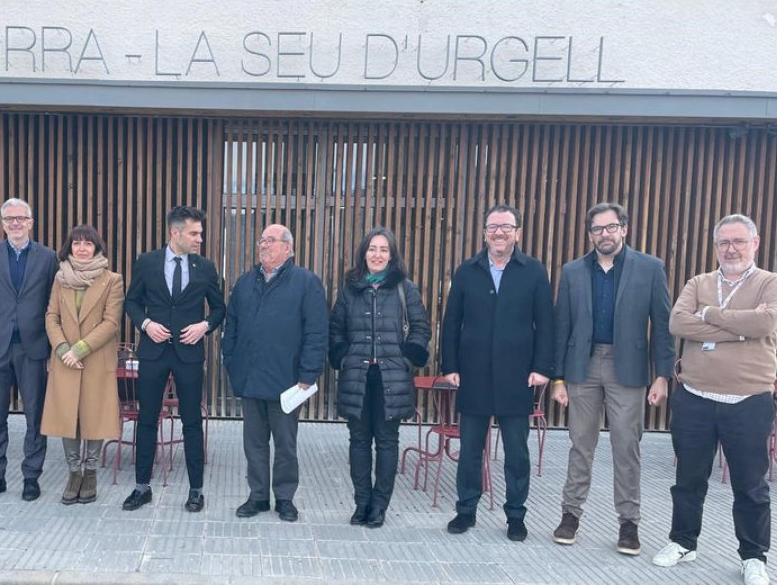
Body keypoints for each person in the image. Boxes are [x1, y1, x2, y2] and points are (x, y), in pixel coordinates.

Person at [653, 214, 777, 585]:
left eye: (739, 241)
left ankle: (753, 556)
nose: (731, 249)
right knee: (688, 478)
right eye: (723, 242)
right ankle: (683, 541)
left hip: (748, 400)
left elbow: (765, 325)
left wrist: (711, 315)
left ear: (755, 243)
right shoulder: (698, 282)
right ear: (715, 246)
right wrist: (739, 329)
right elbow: (678, 324)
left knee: (750, 484)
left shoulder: (772, 284)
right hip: (695, 396)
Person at [551, 202, 674, 554]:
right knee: (580, 445)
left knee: (626, 446)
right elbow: (562, 326)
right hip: (583, 366)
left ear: (624, 228)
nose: (603, 234)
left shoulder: (650, 268)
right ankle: (570, 515)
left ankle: (628, 523)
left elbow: (663, 326)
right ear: (589, 234)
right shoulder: (573, 271)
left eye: (610, 227)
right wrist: (558, 377)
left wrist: (662, 375)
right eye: (596, 229)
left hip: (629, 369)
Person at [441, 204, 554, 541]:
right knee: (471, 450)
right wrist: (450, 366)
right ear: (484, 232)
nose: (500, 232)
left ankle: (516, 516)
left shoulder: (533, 271)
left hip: (518, 376)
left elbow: (546, 323)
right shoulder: (467, 271)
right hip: (473, 374)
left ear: (517, 231)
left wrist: (542, 367)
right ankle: (466, 511)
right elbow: (451, 323)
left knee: (517, 453)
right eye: (493, 227)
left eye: (506, 226)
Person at [122, 206, 226, 512]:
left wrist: (204, 326)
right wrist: (146, 324)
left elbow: (219, 309)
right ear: (175, 232)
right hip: (153, 353)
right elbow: (131, 301)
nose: (199, 239)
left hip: (188, 354)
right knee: (146, 420)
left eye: (201, 234)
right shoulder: (147, 262)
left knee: (192, 422)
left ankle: (196, 490)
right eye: (194, 233)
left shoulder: (205, 267)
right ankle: (142, 488)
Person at [222, 223, 328, 522]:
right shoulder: (245, 283)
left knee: (285, 445)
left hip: (288, 382)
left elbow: (317, 332)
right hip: (251, 378)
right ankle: (257, 497)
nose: (263, 246)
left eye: (270, 241)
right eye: (261, 240)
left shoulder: (306, 283)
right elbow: (231, 327)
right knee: (253, 443)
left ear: (288, 247)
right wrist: (232, 362)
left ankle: (284, 498)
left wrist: (309, 374)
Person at [329, 226, 431, 528]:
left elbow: (420, 328)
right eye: (372, 248)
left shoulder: (405, 288)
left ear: (392, 255)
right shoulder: (349, 289)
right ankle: (361, 503)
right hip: (357, 376)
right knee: (358, 441)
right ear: (364, 253)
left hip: (391, 378)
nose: (377, 254)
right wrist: (343, 356)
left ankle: (379, 506)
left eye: (384, 249)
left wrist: (406, 359)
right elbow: (335, 330)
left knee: (387, 441)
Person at [0, 198, 59, 502]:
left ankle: (31, 476)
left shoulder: (48, 258)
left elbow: (53, 304)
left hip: (33, 346)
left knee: (35, 416)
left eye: (21, 218)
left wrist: (52, 348)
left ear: (31, 222)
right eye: (10, 219)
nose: (16, 224)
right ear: (3, 223)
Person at [42, 225, 124, 504]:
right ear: (69, 248)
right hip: (64, 359)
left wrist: (80, 349)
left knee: (94, 415)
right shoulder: (60, 278)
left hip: (95, 358)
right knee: (69, 417)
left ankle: (90, 473)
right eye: (76, 243)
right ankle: (73, 472)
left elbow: (111, 323)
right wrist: (64, 348)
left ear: (97, 248)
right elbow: (51, 317)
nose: (81, 248)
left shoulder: (112, 279)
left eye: (87, 244)